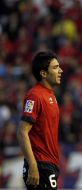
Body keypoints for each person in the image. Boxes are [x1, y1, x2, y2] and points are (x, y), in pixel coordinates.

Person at [17, 51, 63, 189]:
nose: (60, 70)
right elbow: (22, 131)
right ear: (43, 73)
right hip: (40, 164)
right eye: (55, 68)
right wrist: (33, 166)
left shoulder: (51, 96)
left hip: (49, 164)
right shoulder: (35, 96)